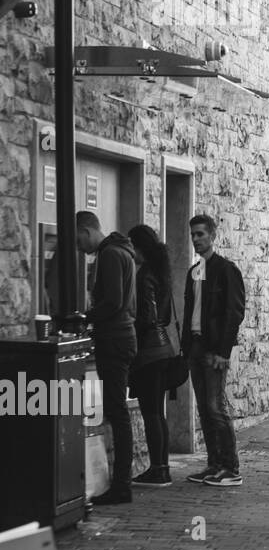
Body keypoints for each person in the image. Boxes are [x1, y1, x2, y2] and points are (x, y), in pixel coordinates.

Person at [76, 211, 138, 507]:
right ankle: (121, 483)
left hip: (114, 339)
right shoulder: (120, 252)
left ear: (87, 230)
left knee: (116, 412)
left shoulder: (110, 255)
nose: (79, 246)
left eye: (78, 238)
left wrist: (86, 319)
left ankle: (121, 485)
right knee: (117, 412)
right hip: (121, 336)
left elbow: (112, 301)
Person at [181, 214, 246, 488]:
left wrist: (223, 350)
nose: (196, 239)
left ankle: (231, 468)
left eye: (200, 234)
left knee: (216, 406)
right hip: (195, 346)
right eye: (193, 235)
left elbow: (234, 312)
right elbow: (190, 312)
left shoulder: (225, 270)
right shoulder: (194, 271)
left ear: (212, 236)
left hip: (214, 349)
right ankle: (214, 464)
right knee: (205, 409)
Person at [127, 224, 179, 488]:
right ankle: (163, 467)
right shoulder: (162, 273)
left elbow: (146, 317)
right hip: (164, 350)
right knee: (157, 413)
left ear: (138, 247)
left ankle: (157, 470)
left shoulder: (145, 274)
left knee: (150, 413)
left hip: (148, 352)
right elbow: (165, 316)